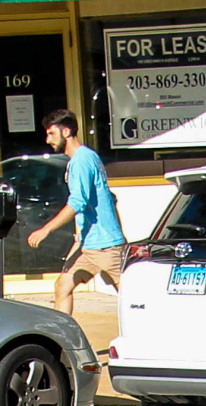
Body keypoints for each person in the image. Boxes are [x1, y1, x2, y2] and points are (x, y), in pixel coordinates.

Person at [26, 109, 125, 320]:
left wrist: (46, 230)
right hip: (87, 244)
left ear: (67, 131)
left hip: (106, 246)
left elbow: (77, 202)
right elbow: (109, 197)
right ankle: (63, 343)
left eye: (52, 133)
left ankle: (149, 338)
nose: (48, 140)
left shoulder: (82, 160)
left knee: (133, 299)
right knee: (63, 286)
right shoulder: (84, 158)